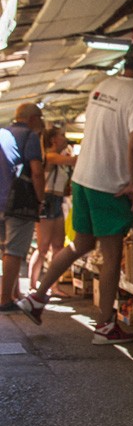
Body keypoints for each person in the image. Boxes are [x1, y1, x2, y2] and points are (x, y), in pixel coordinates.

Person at [17, 41, 133, 344]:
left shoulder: (103, 86)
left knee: (79, 245)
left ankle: (36, 297)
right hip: (108, 184)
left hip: (83, 178)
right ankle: (104, 327)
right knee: (111, 256)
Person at [0, 102, 44, 313]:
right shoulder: (30, 136)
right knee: (15, 251)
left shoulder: (3, 133)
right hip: (18, 200)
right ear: (33, 118)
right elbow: (36, 171)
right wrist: (40, 198)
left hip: (1, 198)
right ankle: (5, 299)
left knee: (6, 250)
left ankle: (13, 293)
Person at [27, 126, 77, 296]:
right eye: (62, 135)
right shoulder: (50, 157)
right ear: (53, 139)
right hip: (47, 200)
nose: (65, 138)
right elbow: (73, 161)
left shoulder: (60, 158)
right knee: (42, 247)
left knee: (58, 246)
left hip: (58, 201)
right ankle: (33, 285)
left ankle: (54, 287)